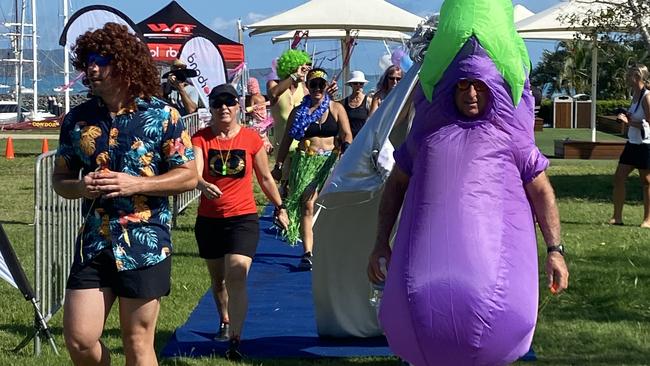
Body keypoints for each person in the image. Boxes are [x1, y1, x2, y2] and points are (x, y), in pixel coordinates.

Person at [366, 2, 569, 363]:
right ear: (451, 89)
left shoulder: (511, 137)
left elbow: (541, 190)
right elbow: (395, 185)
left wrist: (555, 251)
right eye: (462, 85)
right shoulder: (427, 136)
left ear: (492, 86)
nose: (471, 93)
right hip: (424, 293)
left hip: (491, 295)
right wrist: (381, 240)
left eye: (479, 85)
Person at [52, 23, 197, 366]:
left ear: (126, 63)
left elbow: (188, 176)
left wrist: (137, 184)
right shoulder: (77, 120)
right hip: (95, 241)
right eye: (87, 59)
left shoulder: (163, 116)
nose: (92, 67)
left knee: (137, 343)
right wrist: (79, 187)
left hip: (145, 243)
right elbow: (61, 178)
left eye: (102, 59)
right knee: (79, 339)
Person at [192, 84, 289, 361]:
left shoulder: (250, 139)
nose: (224, 107)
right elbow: (196, 171)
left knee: (236, 274)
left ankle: (235, 336)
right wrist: (201, 183)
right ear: (211, 107)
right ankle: (223, 318)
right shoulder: (200, 138)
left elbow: (266, 178)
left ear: (238, 107)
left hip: (243, 218)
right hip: (210, 220)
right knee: (218, 279)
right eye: (218, 102)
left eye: (229, 102)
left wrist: (279, 207)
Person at [272, 68, 353, 270]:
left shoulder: (336, 108)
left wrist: (346, 148)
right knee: (307, 205)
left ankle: (332, 247)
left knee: (330, 207)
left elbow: (346, 134)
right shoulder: (298, 112)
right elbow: (286, 140)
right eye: (313, 84)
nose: (317, 88)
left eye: (321, 85)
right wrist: (279, 165)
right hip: (305, 162)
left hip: (330, 163)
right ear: (307, 86)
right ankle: (308, 252)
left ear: (326, 86)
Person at [609, 64, 650, 228]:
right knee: (619, 177)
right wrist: (626, 117)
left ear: (638, 77)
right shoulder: (634, 95)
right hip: (632, 143)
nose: (626, 78)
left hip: (645, 145)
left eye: (629, 75)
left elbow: (648, 124)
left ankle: (648, 219)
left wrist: (629, 122)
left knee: (646, 181)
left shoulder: (647, 97)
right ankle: (616, 217)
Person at [245, 77, 273, 153]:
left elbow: (251, 109)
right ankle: (268, 147)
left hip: (257, 120)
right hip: (264, 119)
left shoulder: (253, 98)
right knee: (264, 135)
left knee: (257, 135)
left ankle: (260, 149)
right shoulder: (262, 97)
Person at [341, 70, 371, 138]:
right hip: (348, 140)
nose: (358, 85)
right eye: (355, 83)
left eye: (361, 83)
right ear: (351, 84)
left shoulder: (369, 102)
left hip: (363, 139)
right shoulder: (343, 103)